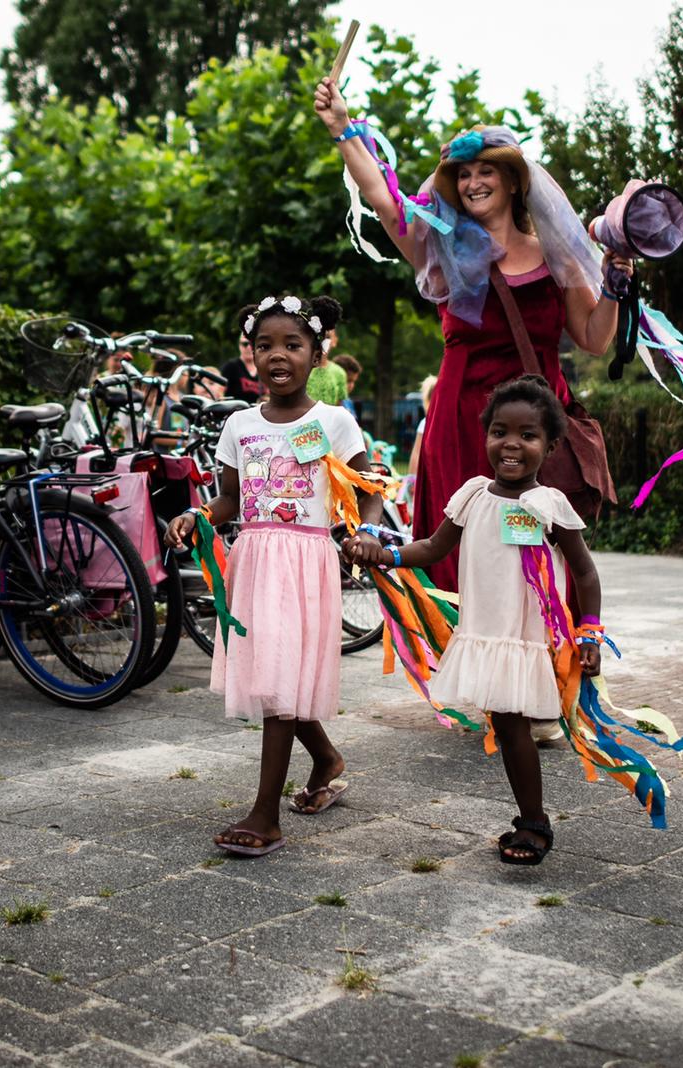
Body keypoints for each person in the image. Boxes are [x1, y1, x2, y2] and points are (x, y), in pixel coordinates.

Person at [315, 78, 632, 590]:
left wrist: (615, 287)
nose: (473, 182)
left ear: (513, 182)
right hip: (461, 425)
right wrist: (341, 128)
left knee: (541, 564)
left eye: (486, 171)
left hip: (536, 427)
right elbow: (384, 201)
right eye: (463, 174)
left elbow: (594, 339)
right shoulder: (441, 252)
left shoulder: (556, 256)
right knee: (460, 561)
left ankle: (543, 643)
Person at [346, 377, 600, 864]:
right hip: (483, 635)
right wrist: (387, 555)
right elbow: (432, 547)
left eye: (528, 435)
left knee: (514, 727)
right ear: (486, 436)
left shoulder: (549, 505)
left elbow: (585, 573)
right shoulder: (472, 495)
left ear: (550, 446)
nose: (511, 444)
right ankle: (531, 819)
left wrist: (591, 630)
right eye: (500, 431)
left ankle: (534, 823)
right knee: (507, 727)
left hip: (522, 640)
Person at [165, 294, 385, 857]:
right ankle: (326, 759)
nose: (277, 355)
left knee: (282, 677)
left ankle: (265, 815)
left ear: (317, 354)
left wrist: (367, 532)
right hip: (255, 561)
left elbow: (369, 489)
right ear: (252, 356)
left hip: (306, 563)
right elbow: (230, 499)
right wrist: (198, 515)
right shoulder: (239, 424)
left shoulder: (333, 421)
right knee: (272, 675)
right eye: (264, 345)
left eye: (292, 344)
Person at [408, 373, 438, 482]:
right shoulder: (425, 423)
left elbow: (416, 453)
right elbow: (417, 453)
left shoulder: (426, 422)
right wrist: (412, 479)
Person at [219, 332, 262, 401]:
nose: (249, 347)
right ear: (239, 346)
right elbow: (219, 392)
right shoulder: (231, 367)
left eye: (252, 344)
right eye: (245, 344)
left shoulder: (264, 369)